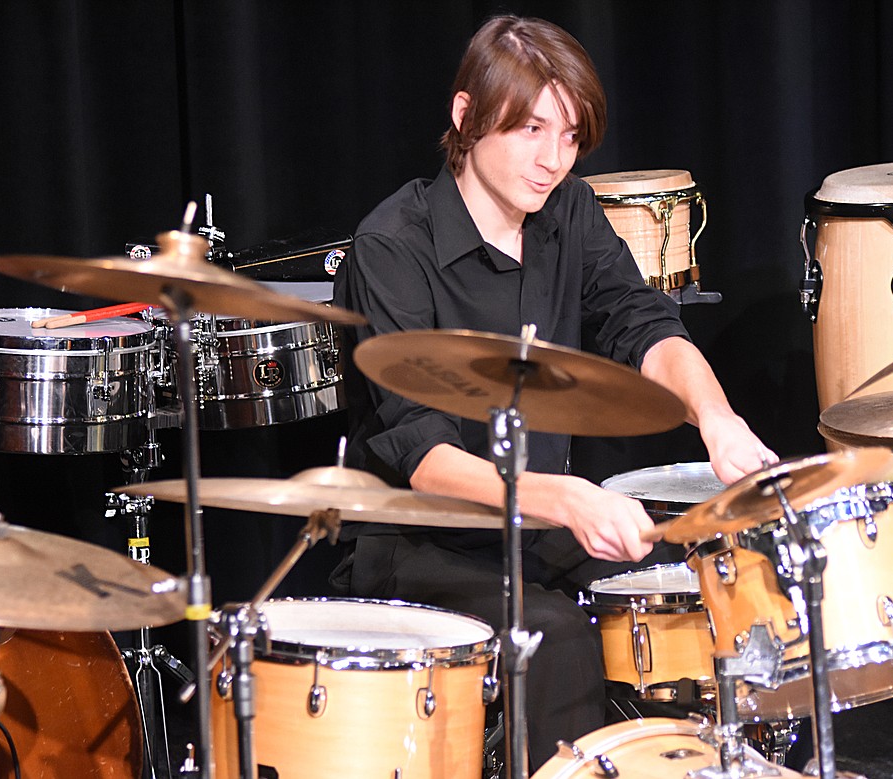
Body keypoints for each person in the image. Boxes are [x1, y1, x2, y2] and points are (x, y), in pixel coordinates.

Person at [330, 14, 775, 770]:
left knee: (689, 589)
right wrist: (571, 499)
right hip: (413, 539)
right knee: (559, 636)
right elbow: (425, 456)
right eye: (533, 130)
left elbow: (643, 323)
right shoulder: (390, 249)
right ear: (465, 116)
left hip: (535, 527)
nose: (553, 160)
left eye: (570, 138)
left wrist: (719, 420)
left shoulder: (567, 212)